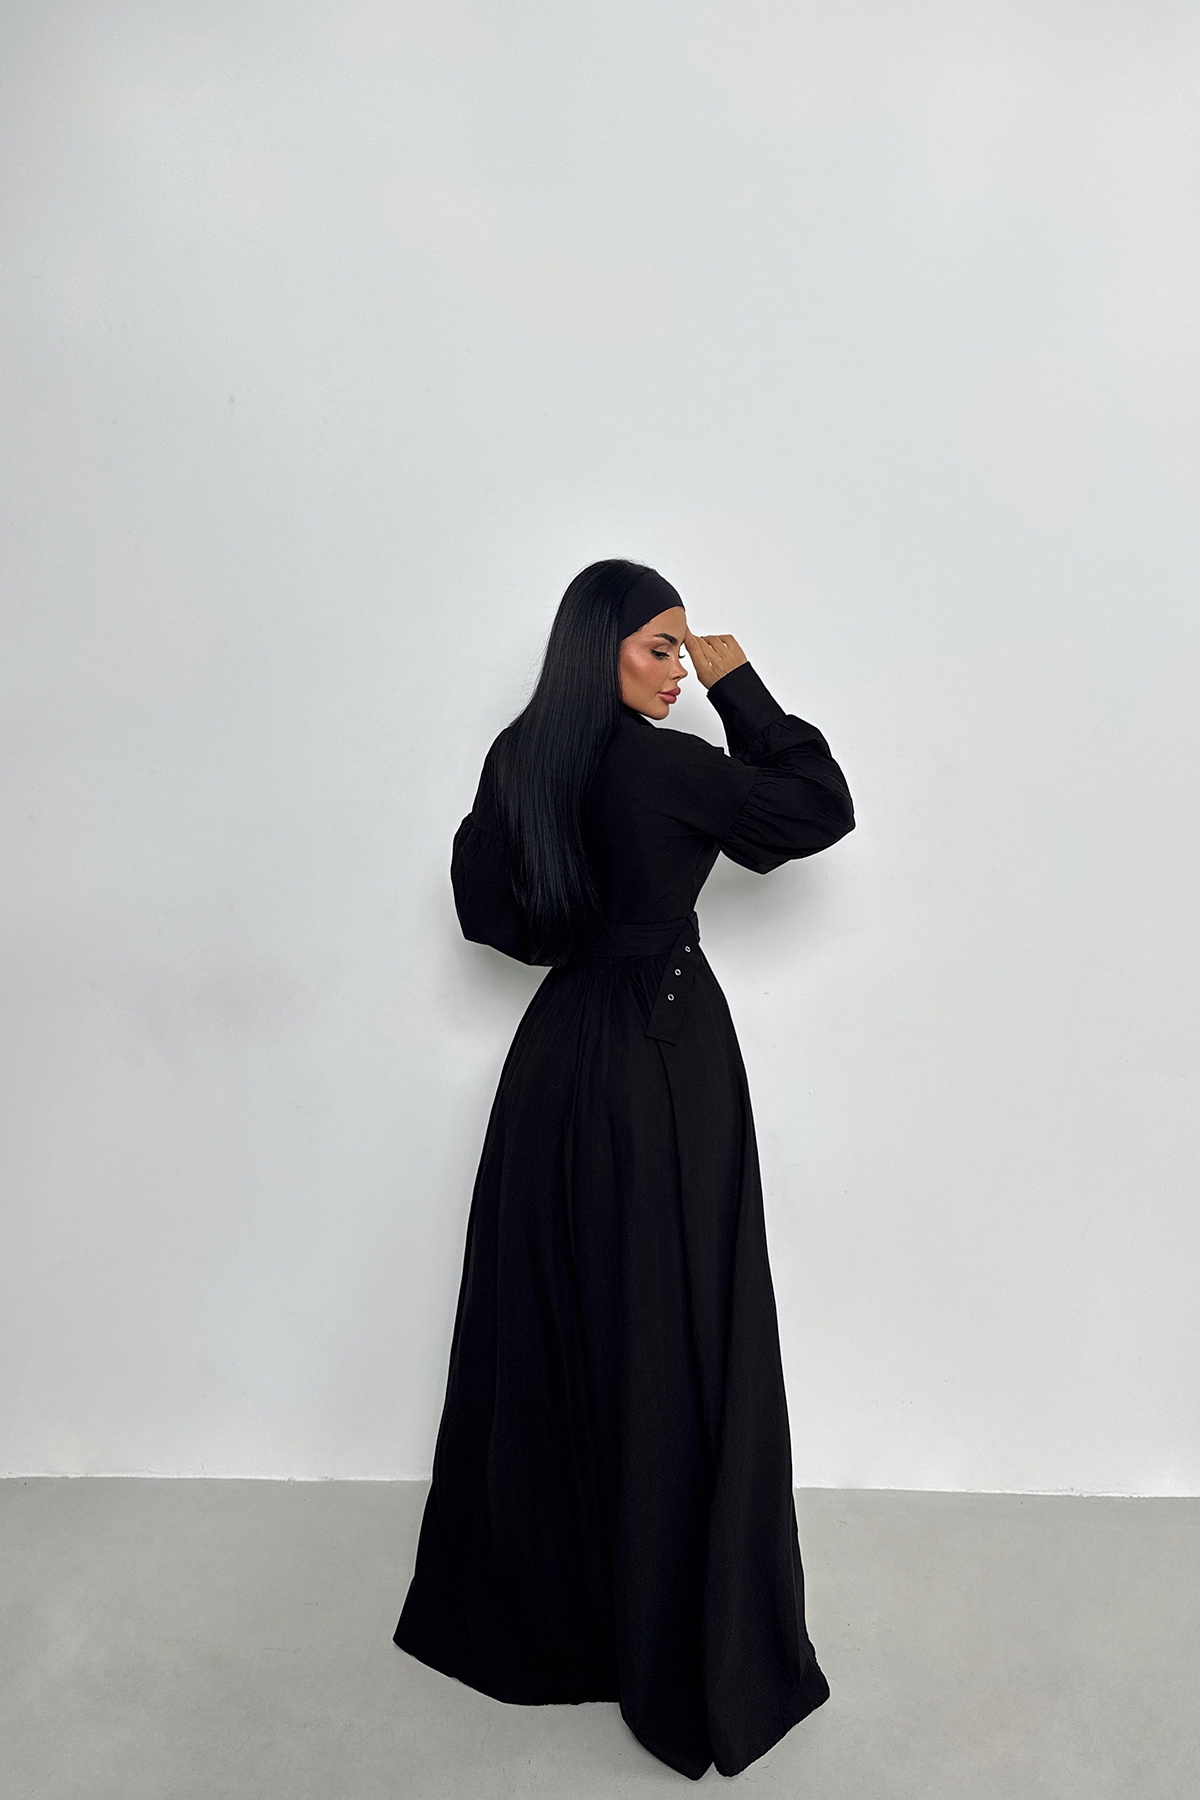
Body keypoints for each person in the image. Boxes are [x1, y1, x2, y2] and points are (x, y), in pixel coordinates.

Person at [393, 559, 855, 1779]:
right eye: (661, 646)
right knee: (676, 1327)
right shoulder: (660, 767)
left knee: (567, 1322)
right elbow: (816, 808)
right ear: (598, 646)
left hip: (556, 1061)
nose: (680, 669)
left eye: (688, 651)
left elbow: (493, 917)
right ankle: (680, 1637)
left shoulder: (524, 757)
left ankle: (569, 1621)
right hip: (661, 1055)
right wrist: (743, 686)